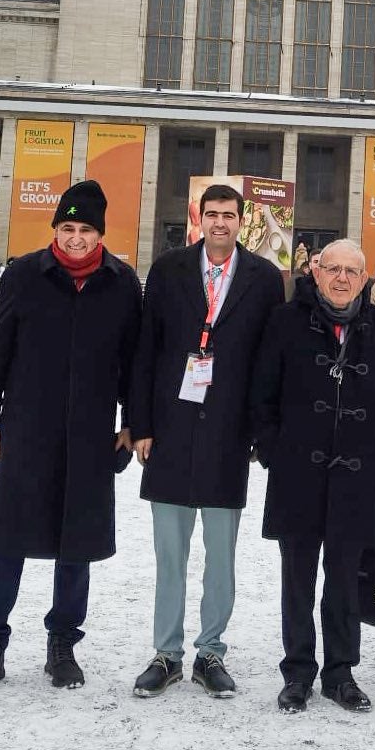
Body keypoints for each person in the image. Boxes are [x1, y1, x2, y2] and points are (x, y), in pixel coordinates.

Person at [0, 179, 141, 694]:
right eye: (68, 227)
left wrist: (132, 421)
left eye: (86, 230)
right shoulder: (24, 275)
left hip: (90, 435)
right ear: (55, 229)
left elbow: (134, 361)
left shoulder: (121, 282)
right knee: (6, 541)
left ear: (100, 234)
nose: (76, 238)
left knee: (76, 544)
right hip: (26, 431)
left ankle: (63, 645)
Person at [128, 183, 285, 699]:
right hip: (170, 430)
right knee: (170, 554)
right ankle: (166, 654)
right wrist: (141, 423)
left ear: (242, 220)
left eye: (229, 215)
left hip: (228, 433)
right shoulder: (169, 269)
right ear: (200, 218)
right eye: (212, 214)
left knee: (221, 557)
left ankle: (211, 651)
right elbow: (146, 350)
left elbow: (269, 361)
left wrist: (261, 430)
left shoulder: (264, 278)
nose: (220, 223)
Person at [251, 239, 375, 714]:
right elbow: (263, 393)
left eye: (351, 271)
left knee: (345, 580)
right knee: (297, 581)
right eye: (333, 269)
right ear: (316, 272)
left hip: (358, 479)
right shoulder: (285, 322)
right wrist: (274, 450)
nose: (342, 278)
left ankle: (340, 673)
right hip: (297, 475)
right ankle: (298, 672)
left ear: (364, 279)